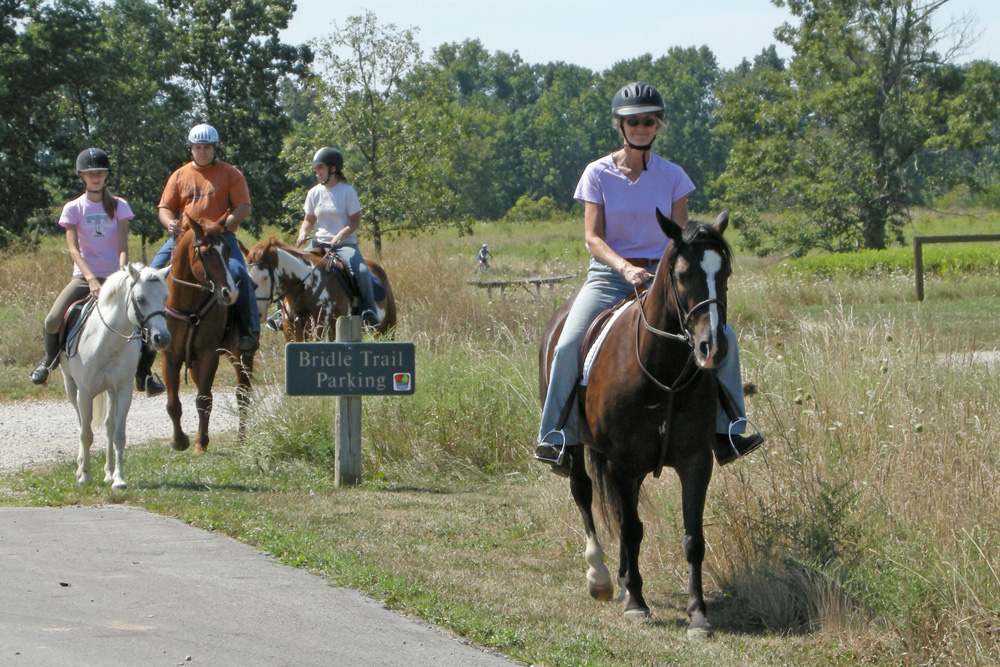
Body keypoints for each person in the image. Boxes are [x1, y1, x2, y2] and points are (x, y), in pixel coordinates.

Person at [534, 82, 764, 475]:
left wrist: (662, 274)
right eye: (633, 121)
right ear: (620, 126)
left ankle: (731, 429)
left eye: (649, 121)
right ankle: (556, 436)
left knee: (725, 337)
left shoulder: (673, 176)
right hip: (609, 276)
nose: (642, 127)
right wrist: (624, 268)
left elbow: (681, 239)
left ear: (658, 126)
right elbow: (593, 236)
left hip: (662, 278)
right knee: (568, 344)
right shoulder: (597, 173)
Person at [29, 148, 144, 388]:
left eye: (100, 173)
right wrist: (90, 279)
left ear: (106, 176)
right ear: (82, 176)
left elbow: (123, 245)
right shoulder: (73, 208)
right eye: (91, 173)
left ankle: (145, 373)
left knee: (146, 316)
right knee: (52, 319)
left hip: (115, 275)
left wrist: (122, 272)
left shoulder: (119, 206)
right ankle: (49, 360)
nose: (96, 177)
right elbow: (74, 249)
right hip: (84, 277)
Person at [150, 123, 260, 354]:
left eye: (207, 147)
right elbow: (164, 208)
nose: (202, 152)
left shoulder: (230, 173)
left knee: (239, 273)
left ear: (214, 148)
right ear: (191, 149)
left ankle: (249, 330)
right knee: (151, 273)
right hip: (185, 238)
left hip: (221, 238)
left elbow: (243, 207)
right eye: (198, 147)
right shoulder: (179, 175)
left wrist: (225, 225)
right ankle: (143, 337)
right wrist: (169, 221)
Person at [296, 147, 380, 328]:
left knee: (363, 272)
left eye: (321, 167)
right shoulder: (313, 193)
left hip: (344, 245)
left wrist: (340, 235)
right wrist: (303, 231)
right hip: (318, 243)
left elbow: (355, 221)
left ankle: (368, 310)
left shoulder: (347, 192)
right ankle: (282, 313)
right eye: (316, 168)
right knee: (292, 266)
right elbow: (309, 220)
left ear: (333, 169)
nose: (317, 171)